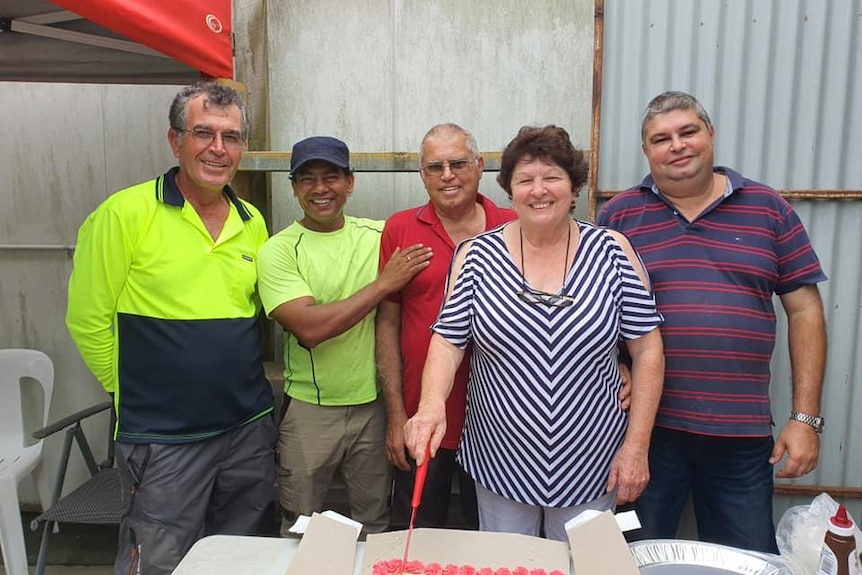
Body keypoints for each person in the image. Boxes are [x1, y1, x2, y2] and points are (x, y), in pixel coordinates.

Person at [403, 125, 665, 542]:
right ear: (510, 190)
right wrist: (431, 404)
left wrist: (636, 447)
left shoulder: (613, 251)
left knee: (584, 566)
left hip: (593, 459)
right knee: (508, 565)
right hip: (499, 457)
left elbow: (648, 350)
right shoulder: (477, 256)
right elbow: (449, 340)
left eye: (552, 177)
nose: (538, 190)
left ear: (574, 186)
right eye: (525, 179)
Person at [597, 90, 828, 553]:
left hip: (739, 438)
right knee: (630, 555)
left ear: (711, 136)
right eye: (661, 139)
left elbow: (805, 311)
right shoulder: (618, 217)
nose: (677, 146)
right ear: (646, 151)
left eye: (688, 132)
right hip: (643, 434)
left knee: (746, 558)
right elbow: (592, 313)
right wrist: (616, 365)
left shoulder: (769, 209)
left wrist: (805, 418)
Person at [66, 81, 276, 575]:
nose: (218, 149)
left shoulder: (252, 221)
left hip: (245, 428)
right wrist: (132, 391)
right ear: (174, 140)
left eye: (231, 137)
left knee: (237, 557)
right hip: (161, 436)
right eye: (203, 133)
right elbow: (88, 320)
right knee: (157, 560)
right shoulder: (124, 214)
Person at [255, 136, 432, 536]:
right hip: (309, 411)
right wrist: (384, 284)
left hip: (374, 408)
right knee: (300, 524)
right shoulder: (279, 250)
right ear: (294, 187)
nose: (320, 189)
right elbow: (311, 329)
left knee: (375, 523)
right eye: (307, 179)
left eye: (331, 177)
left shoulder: (379, 236)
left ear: (349, 182)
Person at [377, 124, 515, 529]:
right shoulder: (400, 228)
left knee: (490, 537)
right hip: (423, 419)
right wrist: (397, 414)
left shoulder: (512, 227)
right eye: (434, 167)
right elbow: (388, 325)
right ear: (422, 175)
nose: (447, 175)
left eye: (457, 163)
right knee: (415, 531)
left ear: (480, 165)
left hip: (500, 425)